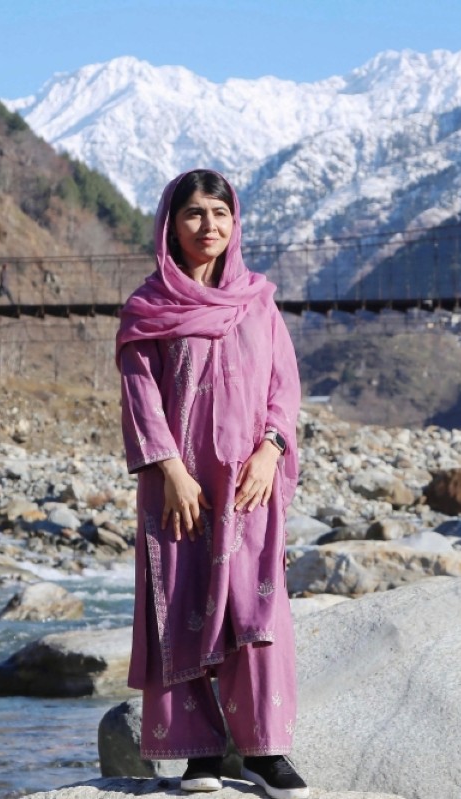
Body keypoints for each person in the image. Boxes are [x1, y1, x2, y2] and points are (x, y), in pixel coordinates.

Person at [116, 169, 307, 799]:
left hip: (249, 482)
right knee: (182, 598)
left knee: (256, 606)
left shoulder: (259, 302)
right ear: (170, 225)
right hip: (179, 485)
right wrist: (170, 471)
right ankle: (197, 753)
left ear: (235, 222)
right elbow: (141, 400)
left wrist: (271, 451)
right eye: (195, 214)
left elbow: (284, 388)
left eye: (221, 213)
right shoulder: (148, 308)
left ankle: (265, 752)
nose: (210, 226)